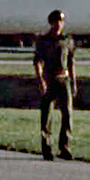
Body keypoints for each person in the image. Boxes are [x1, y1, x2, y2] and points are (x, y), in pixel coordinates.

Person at [34, 9, 77, 161]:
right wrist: (41, 80)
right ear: (51, 23)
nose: (59, 24)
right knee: (47, 116)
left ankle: (64, 147)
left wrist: (73, 82)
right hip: (49, 79)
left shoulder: (67, 40)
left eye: (61, 21)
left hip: (64, 79)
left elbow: (71, 63)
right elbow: (38, 61)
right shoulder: (43, 41)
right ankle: (46, 148)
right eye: (56, 21)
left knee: (67, 114)